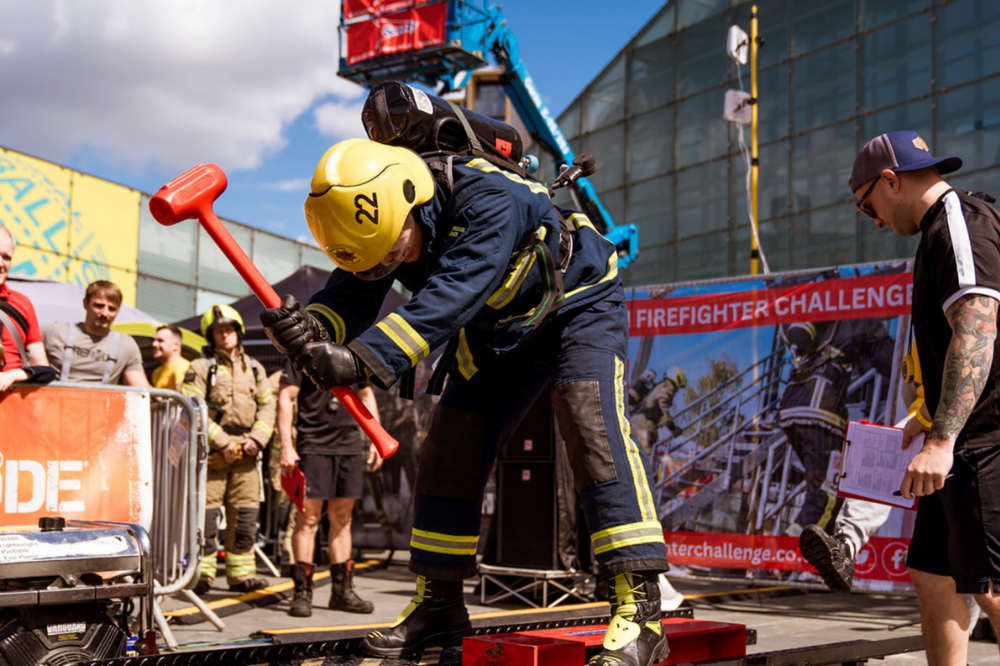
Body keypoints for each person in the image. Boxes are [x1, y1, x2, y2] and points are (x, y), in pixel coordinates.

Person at [261, 137, 669, 665]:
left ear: (411, 200)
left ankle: (641, 613)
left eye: (393, 251)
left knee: (591, 426)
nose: (385, 265)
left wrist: (359, 359)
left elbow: (449, 296)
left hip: (577, 303)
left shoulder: (490, 196)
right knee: (449, 450)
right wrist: (313, 327)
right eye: (374, 258)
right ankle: (441, 607)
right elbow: (352, 291)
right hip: (500, 328)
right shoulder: (380, 222)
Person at [849, 130, 1000, 664]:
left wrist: (942, 440)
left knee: (993, 587)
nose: (876, 222)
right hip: (961, 439)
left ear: (891, 181)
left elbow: (977, 329)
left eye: (869, 206)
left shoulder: (956, 223)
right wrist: (927, 416)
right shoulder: (940, 231)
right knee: (933, 575)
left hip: (985, 443)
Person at [277, 359, 383, 617]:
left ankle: (342, 593)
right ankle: (302, 593)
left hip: (348, 444)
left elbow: (366, 393)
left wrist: (376, 436)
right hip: (313, 443)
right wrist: (286, 445)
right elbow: (286, 396)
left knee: (342, 519)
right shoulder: (302, 351)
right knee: (308, 518)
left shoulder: (357, 350)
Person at [184, 304, 276, 594]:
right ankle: (202, 575)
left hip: (248, 453)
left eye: (228, 330)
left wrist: (257, 439)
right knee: (207, 517)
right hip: (213, 455)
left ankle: (241, 576)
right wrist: (222, 442)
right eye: (218, 332)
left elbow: (268, 406)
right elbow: (192, 408)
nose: (224, 336)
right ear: (210, 337)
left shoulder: (256, 368)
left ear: (238, 332)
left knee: (247, 515)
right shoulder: (199, 368)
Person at [777, 317, 894, 536]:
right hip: (821, 413)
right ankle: (780, 564)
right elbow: (890, 360)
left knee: (827, 491)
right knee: (827, 495)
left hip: (792, 409)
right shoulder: (858, 317)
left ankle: (810, 567)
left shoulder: (822, 309)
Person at [42, 281, 149, 387]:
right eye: (99, 306)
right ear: (85, 304)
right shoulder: (54, 332)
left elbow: (141, 387)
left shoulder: (126, 345)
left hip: (101, 403)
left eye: (112, 309)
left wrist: (160, 399)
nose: (105, 313)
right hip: (53, 402)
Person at [0, 224, 53, 391]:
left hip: (12, 407)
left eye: (6, 257)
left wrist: (14, 374)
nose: (1, 263)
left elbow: (43, 369)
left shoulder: (22, 304)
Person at [630, 367, 687, 456]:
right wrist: (673, 428)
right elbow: (662, 409)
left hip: (634, 423)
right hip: (645, 427)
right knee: (645, 458)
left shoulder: (657, 387)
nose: (677, 391)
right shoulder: (667, 390)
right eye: (677, 388)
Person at [151, 324, 189, 390]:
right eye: (153, 340)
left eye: (160, 340)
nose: (154, 344)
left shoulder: (183, 367)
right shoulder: (156, 372)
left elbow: (183, 396)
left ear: (176, 345)